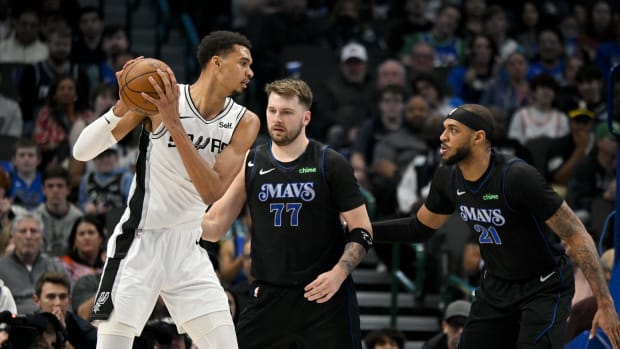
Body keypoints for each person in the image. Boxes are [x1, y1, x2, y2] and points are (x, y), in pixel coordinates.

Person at [371, 104, 620, 348]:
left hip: (543, 286)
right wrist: (365, 231)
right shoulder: (446, 177)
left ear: (479, 137)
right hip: (496, 285)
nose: (442, 136)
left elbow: (577, 235)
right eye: (444, 128)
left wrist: (604, 303)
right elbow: (419, 228)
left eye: (453, 130)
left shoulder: (517, 177)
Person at [72, 30, 260, 349]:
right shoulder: (159, 98)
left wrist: (174, 124)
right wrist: (122, 105)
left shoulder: (245, 122)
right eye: (243, 63)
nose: (250, 72)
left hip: (188, 246)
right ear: (217, 63)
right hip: (139, 241)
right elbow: (81, 152)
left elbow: (212, 192)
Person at [201, 78, 373, 349]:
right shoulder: (253, 161)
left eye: (286, 113)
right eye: (272, 111)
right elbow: (215, 224)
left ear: (306, 117)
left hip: (324, 296)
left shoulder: (330, 162)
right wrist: (170, 218)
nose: (277, 119)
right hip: (269, 295)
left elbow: (362, 230)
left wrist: (339, 273)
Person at [0, 212, 68, 314]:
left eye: (33, 231)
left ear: (41, 236)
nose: (28, 236)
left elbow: (70, 302)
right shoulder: (1, 267)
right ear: (13, 236)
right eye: (23, 231)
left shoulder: (56, 267)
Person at [33, 271, 97, 348]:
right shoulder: (29, 325)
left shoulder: (86, 331)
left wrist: (61, 335)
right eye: (51, 297)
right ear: (37, 300)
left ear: (69, 300)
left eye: (62, 297)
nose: (58, 303)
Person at [35, 165, 84, 257]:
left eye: (60, 186)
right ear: (43, 190)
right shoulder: (35, 218)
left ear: (69, 189)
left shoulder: (79, 218)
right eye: (50, 186)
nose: (55, 190)